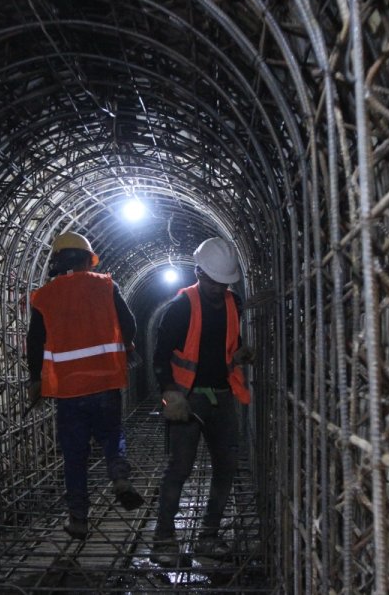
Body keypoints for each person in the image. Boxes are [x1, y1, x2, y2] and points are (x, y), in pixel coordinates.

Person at [27, 231, 145, 539]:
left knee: (75, 455)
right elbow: (129, 323)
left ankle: (78, 518)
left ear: (57, 263)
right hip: (105, 382)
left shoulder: (44, 296)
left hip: (68, 390)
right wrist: (127, 345)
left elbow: (35, 342)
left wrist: (34, 380)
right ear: (87, 258)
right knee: (111, 434)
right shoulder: (107, 286)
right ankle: (118, 473)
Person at [150, 237, 254, 566]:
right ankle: (164, 538)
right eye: (213, 282)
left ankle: (209, 535)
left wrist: (237, 355)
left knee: (227, 466)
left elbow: (225, 343)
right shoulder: (181, 308)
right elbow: (160, 355)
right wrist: (170, 392)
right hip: (187, 398)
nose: (218, 289)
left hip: (221, 395)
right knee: (179, 468)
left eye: (224, 283)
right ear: (198, 273)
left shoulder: (232, 303)